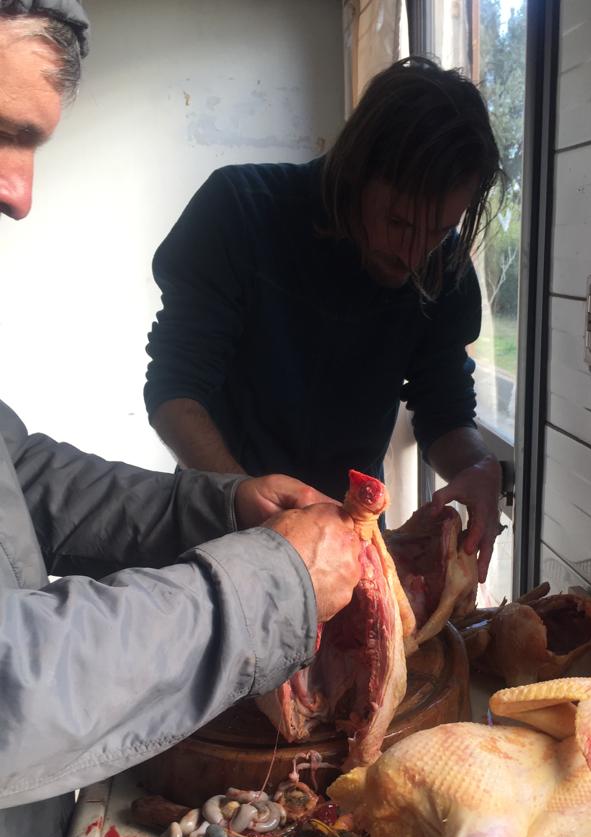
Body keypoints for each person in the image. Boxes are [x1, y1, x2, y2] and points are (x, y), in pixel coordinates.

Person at [0, 4, 361, 837]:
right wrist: (270, 584)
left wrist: (222, 506)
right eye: (3, 135)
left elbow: (22, 477)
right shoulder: (243, 213)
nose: (20, 194)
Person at [144, 56, 507, 583]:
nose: (414, 256)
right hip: (219, 524)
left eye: (438, 230)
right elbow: (176, 393)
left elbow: (444, 409)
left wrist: (478, 467)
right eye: (399, 222)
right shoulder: (239, 211)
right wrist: (247, 504)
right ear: (354, 169)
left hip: (349, 545)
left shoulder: (443, 267)